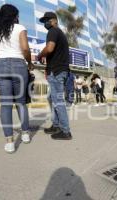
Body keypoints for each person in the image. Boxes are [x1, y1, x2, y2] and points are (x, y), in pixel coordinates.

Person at [0, 4, 35, 153]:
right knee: (21, 102)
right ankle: (26, 133)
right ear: (15, 15)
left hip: (1, 65)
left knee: (6, 104)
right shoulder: (19, 28)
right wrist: (29, 62)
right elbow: (26, 49)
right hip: (18, 65)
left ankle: (9, 142)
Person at [38, 11, 72, 140]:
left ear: (54, 20)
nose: (45, 23)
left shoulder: (53, 31)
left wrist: (41, 54)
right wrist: (47, 68)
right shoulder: (58, 33)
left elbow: (50, 48)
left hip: (57, 72)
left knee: (57, 101)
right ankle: (56, 125)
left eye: (46, 20)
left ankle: (65, 131)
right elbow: (54, 54)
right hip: (56, 70)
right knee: (52, 99)